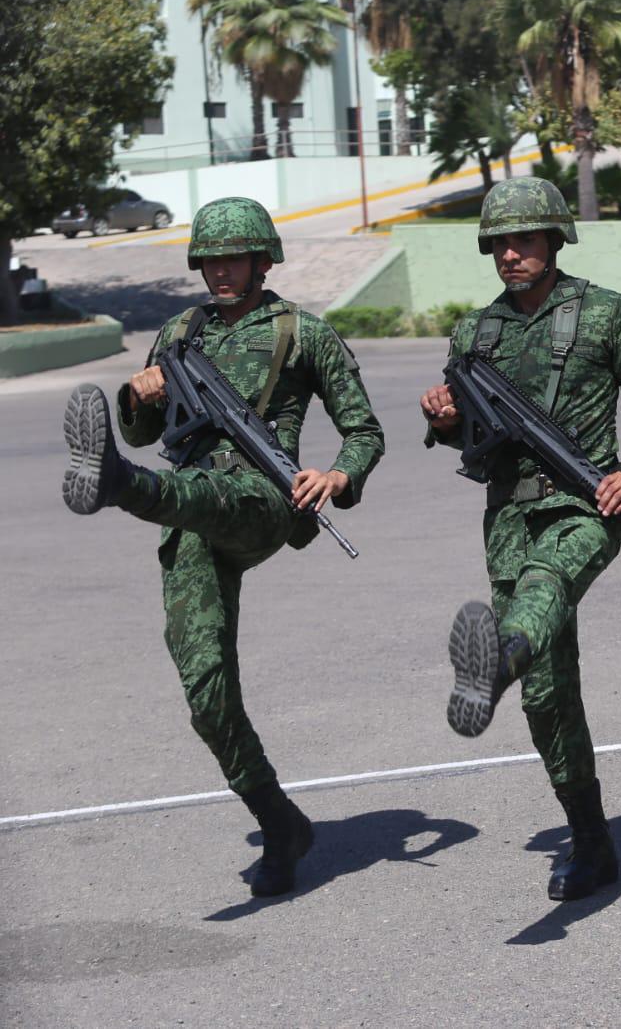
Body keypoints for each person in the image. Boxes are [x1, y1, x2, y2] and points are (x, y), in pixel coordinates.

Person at [60, 196, 385, 897]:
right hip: (189, 513)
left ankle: (116, 484)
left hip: (264, 499)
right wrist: (139, 397)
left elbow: (364, 432)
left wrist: (335, 475)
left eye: (233, 258)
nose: (220, 272)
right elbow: (152, 433)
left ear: (263, 261)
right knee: (205, 691)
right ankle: (278, 821)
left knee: (205, 494)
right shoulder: (181, 330)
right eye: (208, 261)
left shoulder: (304, 333)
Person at [420, 178, 621, 902]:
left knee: (545, 586)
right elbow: (469, 442)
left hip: (587, 507)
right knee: (548, 691)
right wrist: (445, 419)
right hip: (507, 514)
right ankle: (590, 837)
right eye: (500, 244)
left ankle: (493, 666)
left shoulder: (605, 314)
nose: (510, 253)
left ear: (555, 240)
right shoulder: (475, 333)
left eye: (525, 241)